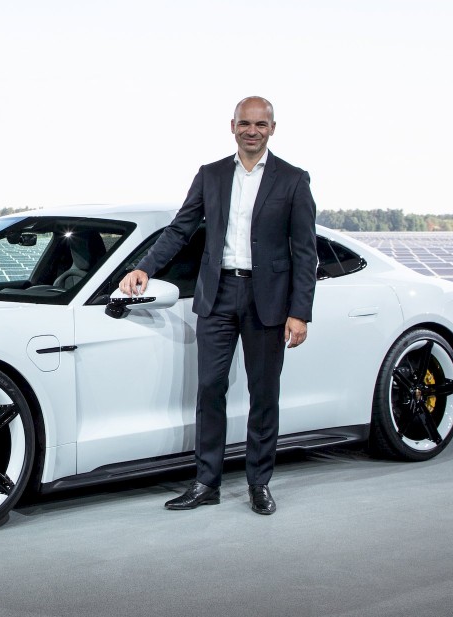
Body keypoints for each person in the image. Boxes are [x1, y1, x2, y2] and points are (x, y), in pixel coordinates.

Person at [118, 96, 317, 515]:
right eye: (244, 123)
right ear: (232, 126)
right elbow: (180, 229)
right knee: (210, 389)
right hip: (218, 294)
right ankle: (205, 482)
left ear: (272, 129)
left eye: (260, 125)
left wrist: (299, 312)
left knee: (264, 394)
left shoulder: (294, 181)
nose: (252, 131)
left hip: (268, 301)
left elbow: (305, 253)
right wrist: (144, 268)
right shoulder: (210, 175)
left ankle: (259, 484)